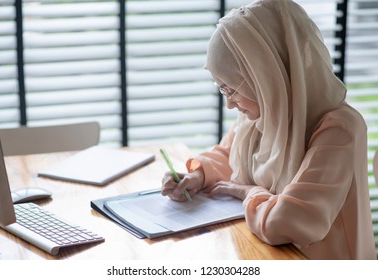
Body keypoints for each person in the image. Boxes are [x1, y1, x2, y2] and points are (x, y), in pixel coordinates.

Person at [161, 0, 376, 260]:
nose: (229, 104)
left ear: (267, 77)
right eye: (222, 88)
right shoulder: (262, 114)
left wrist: (248, 192)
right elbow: (229, 157)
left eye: (232, 89)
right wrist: (197, 176)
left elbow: (289, 222)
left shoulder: (340, 129)